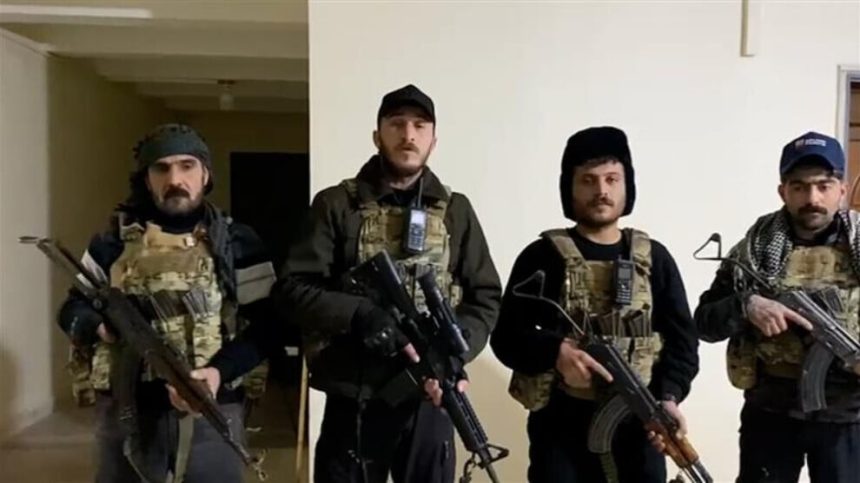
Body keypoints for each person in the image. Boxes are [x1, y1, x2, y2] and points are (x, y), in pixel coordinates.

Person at [57, 124, 276, 483]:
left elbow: (269, 326)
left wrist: (218, 372)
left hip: (212, 400)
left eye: (187, 166)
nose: (175, 179)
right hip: (129, 404)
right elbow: (72, 310)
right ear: (147, 179)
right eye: (161, 168)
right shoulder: (113, 242)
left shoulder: (236, 242)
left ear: (206, 174)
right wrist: (100, 326)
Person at [491, 126, 700, 483]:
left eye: (611, 179)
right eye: (588, 180)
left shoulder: (655, 259)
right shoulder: (542, 257)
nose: (601, 191)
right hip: (560, 426)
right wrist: (556, 352)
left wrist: (668, 397)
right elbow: (506, 336)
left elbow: (683, 344)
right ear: (569, 187)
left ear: (626, 185)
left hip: (640, 426)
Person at [695, 131, 860, 483]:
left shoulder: (858, 246)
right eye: (799, 187)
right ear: (782, 191)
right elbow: (704, 322)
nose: (812, 198)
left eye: (824, 185)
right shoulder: (752, 250)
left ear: (842, 190)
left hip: (848, 418)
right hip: (770, 415)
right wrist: (746, 305)